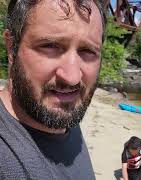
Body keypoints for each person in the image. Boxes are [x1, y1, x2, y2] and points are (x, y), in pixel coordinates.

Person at [0, 0, 107, 179]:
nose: (72, 77)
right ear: (11, 47)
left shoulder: (61, 114)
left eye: (87, 51)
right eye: (50, 46)